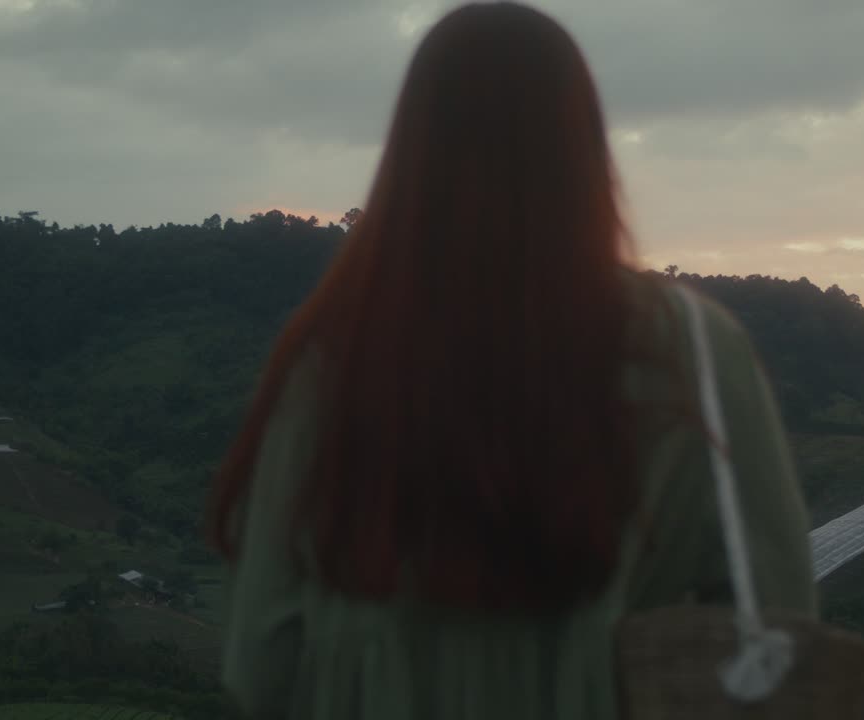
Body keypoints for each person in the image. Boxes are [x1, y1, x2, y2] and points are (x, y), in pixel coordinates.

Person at [204, 3, 815, 718]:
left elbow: (262, 662)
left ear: (412, 151)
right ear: (583, 150)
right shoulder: (694, 347)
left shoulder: (337, 353)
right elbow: (778, 622)